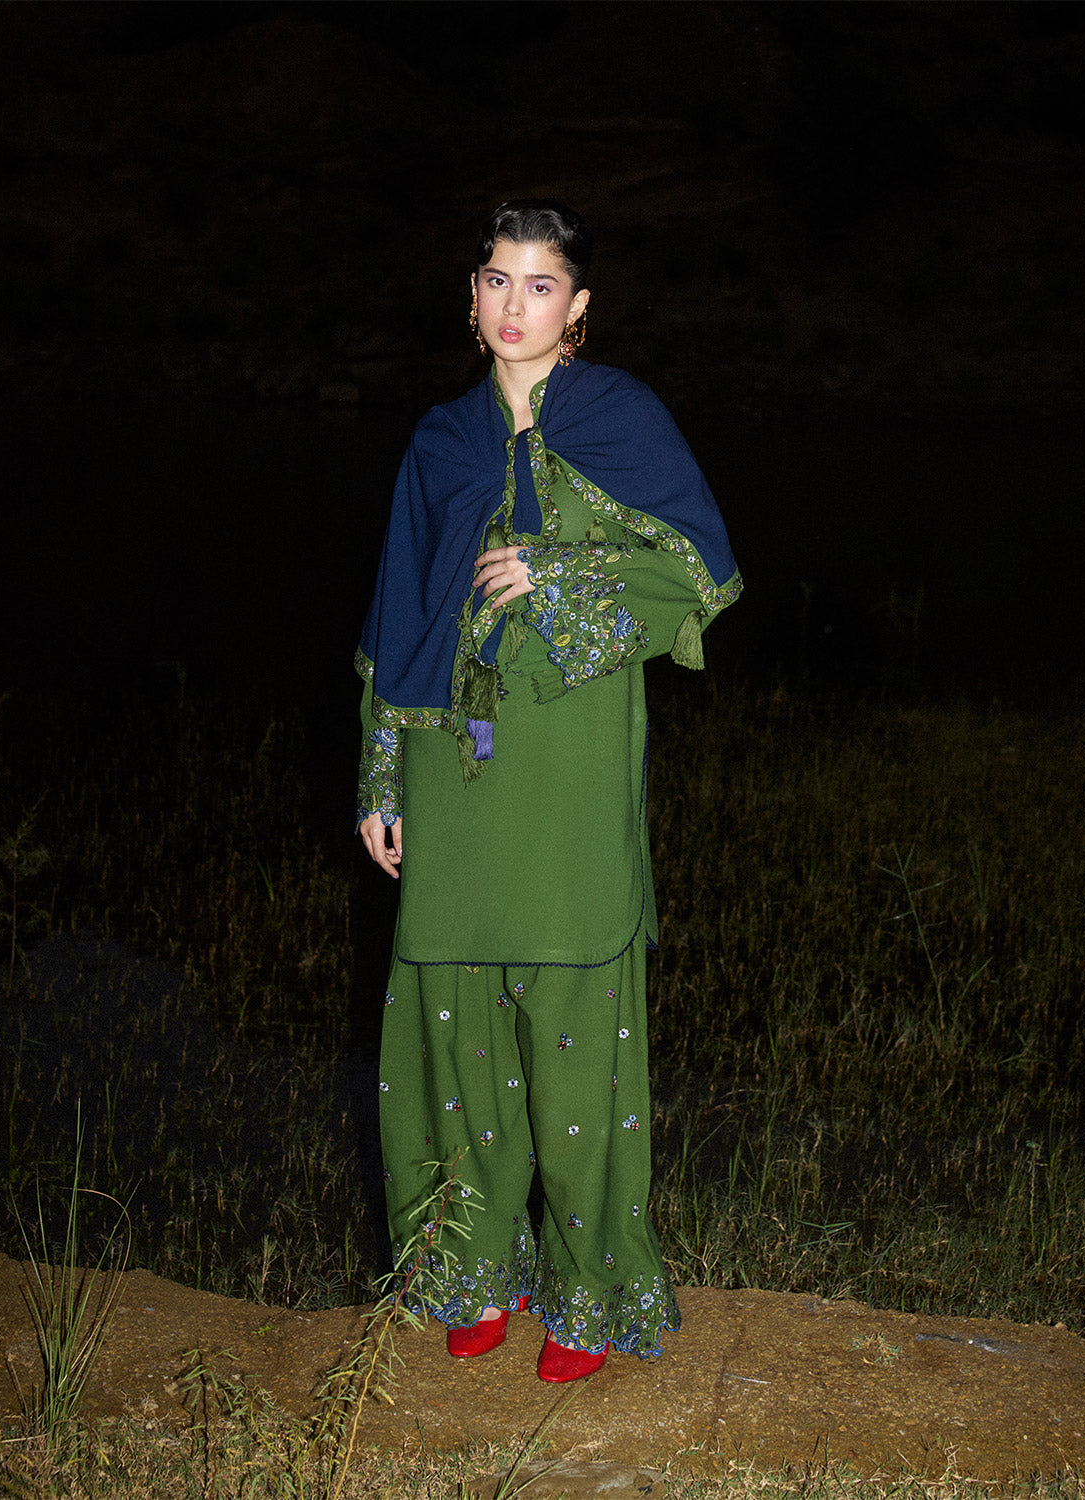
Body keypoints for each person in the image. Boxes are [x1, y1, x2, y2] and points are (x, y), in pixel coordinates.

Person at [356, 199, 740, 1383]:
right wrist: (382, 775)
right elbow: (395, 618)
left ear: (577, 309)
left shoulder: (621, 418)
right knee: (456, 1035)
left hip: (569, 779)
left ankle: (591, 1290)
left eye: (539, 284)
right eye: (495, 279)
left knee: (578, 1051)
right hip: (452, 775)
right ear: (470, 297)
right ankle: (469, 1268)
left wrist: (560, 571)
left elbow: (701, 572)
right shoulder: (440, 442)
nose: (513, 304)